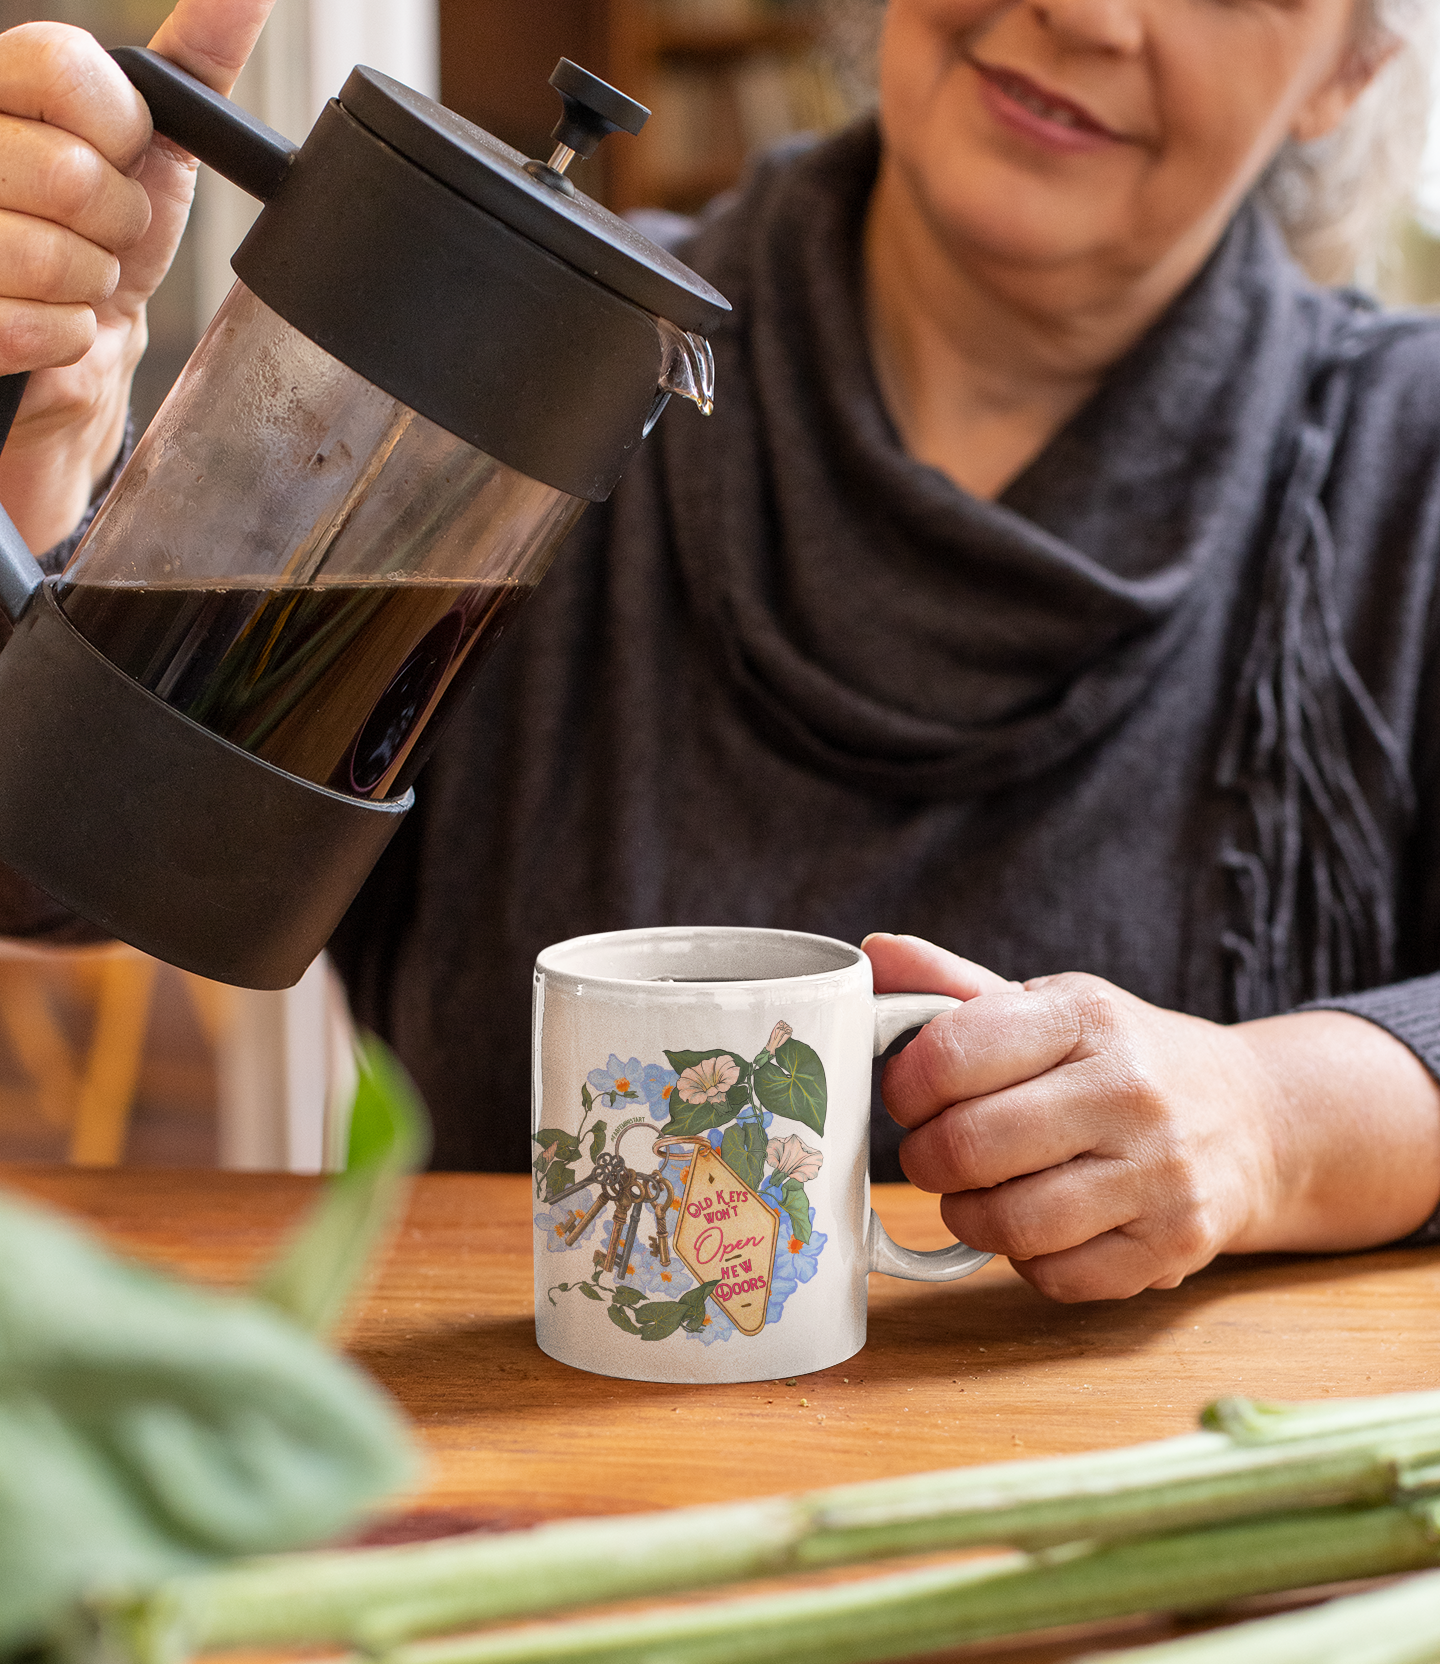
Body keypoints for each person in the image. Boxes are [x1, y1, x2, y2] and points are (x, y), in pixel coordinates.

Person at [1, 0, 1439, 1304]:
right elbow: (57, 847)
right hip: (527, 1498)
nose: (1082, 11)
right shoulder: (534, 363)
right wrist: (41, 468)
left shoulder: (1406, 468)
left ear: (1351, 69)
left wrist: (1273, 1118)